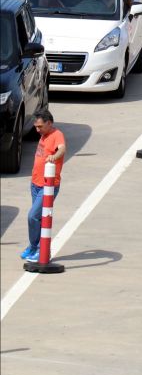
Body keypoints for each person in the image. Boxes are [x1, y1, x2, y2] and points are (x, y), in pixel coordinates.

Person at [21, 109, 66, 262]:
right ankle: (34, 247)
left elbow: (62, 149)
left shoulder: (56, 134)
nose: (37, 129)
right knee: (37, 217)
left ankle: (40, 249)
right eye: (36, 126)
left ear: (49, 123)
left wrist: (54, 157)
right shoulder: (43, 135)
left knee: (33, 216)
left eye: (40, 126)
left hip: (49, 186)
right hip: (35, 184)